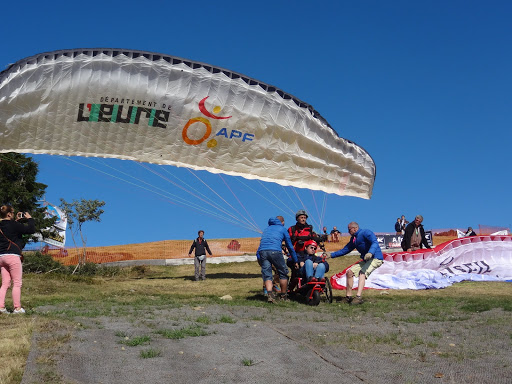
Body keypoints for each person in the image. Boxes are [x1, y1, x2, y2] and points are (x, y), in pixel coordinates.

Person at [329, 222, 383, 305]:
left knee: (362, 273)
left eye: (349, 229)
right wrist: (331, 255)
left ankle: (358, 297)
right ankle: (348, 297)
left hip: (376, 258)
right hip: (366, 260)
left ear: (355, 228)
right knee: (349, 273)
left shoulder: (366, 232)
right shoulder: (354, 239)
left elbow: (374, 242)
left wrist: (370, 253)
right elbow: (345, 250)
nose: (348, 231)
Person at [0, 205, 36, 314]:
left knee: (5, 283)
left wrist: (16, 222)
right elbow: (31, 229)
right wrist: (29, 218)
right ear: (9, 214)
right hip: (13, 257)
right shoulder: (14, 225)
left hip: (1, 257)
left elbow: (10, 233)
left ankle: (1, 307)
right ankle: (17, 308)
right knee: (17, 283)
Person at [257, 216, 298, 303]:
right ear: (282, 222)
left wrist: (259, 257)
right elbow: (290, 246)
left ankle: (270, 295)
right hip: (275, 251)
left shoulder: (266, 229)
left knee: (267, 275)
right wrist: (295, 260)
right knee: (283, 273)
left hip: (263, 252)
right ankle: (283, 296)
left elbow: (261, 245)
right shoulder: (282, 229)